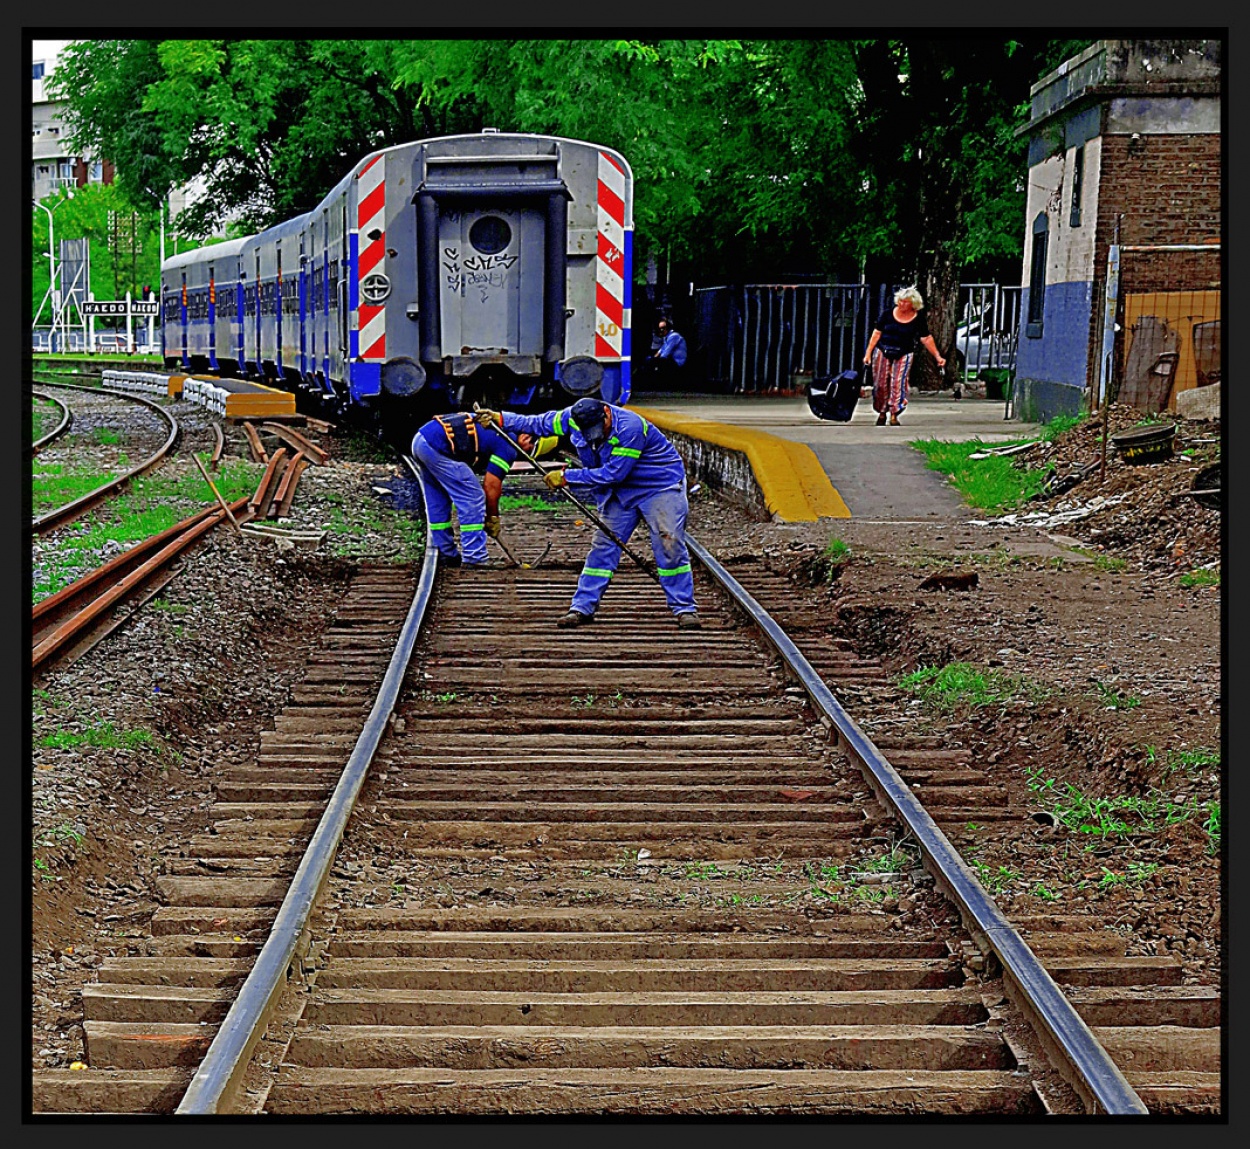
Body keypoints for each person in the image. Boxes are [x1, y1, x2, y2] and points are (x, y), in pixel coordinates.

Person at [476, 396, 701, 628]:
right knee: (603, 547)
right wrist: (502, 419)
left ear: (606, 413)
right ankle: (582, 607)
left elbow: (614, 474)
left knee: (669, 542)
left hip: (658, 486)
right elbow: (538, 423)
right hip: (620, 493)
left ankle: (684, 608)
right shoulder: (571, 418)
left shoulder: (630, 428)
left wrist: (567, 478)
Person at [409, 411, 536, 567]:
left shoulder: (500, 430)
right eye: (531, 449)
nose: (527, 453)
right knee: (472, 498)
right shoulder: (508, 445)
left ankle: (445, 552)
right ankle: (474, 556)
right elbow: (491, 485)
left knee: (438, 498)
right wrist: (493, 516)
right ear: (527, 437)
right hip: (438, 446)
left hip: (422, 440)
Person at [862, 286, 946, 426]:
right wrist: (868, 354)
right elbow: (877, 333)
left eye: (906, 302)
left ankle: (894, 414)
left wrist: (938, 357)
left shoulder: (918, 319)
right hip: (884, 350)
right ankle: (882, 412)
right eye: (900, 301)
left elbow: (926, 338)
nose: (902, 304)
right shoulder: (887, 314)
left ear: (913, 304)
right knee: (881, 384)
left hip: (904, 352)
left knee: (898, 383)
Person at [636, 316, 687, 387]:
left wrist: (654, 361)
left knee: (657, 363)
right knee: (648, 360)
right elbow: (661, 350)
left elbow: (666, 353)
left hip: (677, 362)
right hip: (671, 360)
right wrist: (652, 358)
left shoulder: (674, 336)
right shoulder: (666, 337)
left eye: (663, 329)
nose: (661, 331)